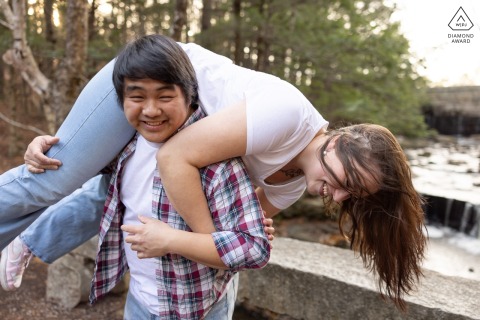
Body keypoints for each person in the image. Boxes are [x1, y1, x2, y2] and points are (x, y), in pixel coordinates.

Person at [0, 34, 426, 311]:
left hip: (179, 130)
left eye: (352, 197)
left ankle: (31, 240)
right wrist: (207, 243)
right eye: (346, 182)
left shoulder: (294, 186)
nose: (339, 196)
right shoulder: (286, 114)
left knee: (121, 190)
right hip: (160, 79)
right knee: (55, 175)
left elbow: (236, 227)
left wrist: (224, 239)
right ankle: (24, 235)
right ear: (338, 142)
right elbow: (175, 161)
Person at [103, 35, 271, 318]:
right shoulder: (126, 143)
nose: (151, 110)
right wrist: (44, 146)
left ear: (190, 94)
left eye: (165, 96)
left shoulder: (217, 160)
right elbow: (81, 168)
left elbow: (254, 247)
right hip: (139, 301)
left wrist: (170, 240)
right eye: (137, 97)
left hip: (197, 308)